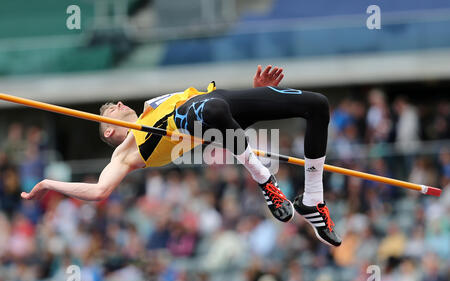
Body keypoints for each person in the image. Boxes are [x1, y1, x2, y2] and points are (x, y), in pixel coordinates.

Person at [21, 65, 341, 247]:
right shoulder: (123, 153)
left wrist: (256, 93)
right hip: (196, 116)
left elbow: (220, 121)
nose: (118, 105)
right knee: (211, 109)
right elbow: (99, 191)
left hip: (216, 105)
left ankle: (313, 198)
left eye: (117, 104)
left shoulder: (150, 106)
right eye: (111, 110)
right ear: (108, 131)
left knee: (317, 105)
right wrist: (49, 183)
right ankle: (264, 179)